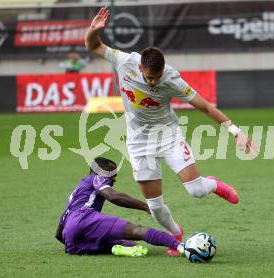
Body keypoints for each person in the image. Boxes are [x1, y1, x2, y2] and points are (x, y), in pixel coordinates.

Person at [84, 7, 256, 256]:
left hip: (168, 136)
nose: (154, 82)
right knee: (155, 208)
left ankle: (215, 185)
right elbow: (93, 46)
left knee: (196, 190)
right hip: (139, 143)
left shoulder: (172, 80)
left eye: (158, 77)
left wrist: (235, 131)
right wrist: (93, 30)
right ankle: (176, 234)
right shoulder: (124, 62)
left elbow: (206, 106)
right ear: (141, 68)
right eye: (150, 77)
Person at [55, 157, 185, 257]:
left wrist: (72, 242)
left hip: (71, 238)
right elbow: (113, 196)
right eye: (111, 174)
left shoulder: (75, 193)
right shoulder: (96, 178)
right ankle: (181, 247)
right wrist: (146, 207)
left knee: (125, 243)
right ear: (99, 171)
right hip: (84, 217)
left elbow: (58, 235)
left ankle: (116, 247)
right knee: (136, 231)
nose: (113, 179)